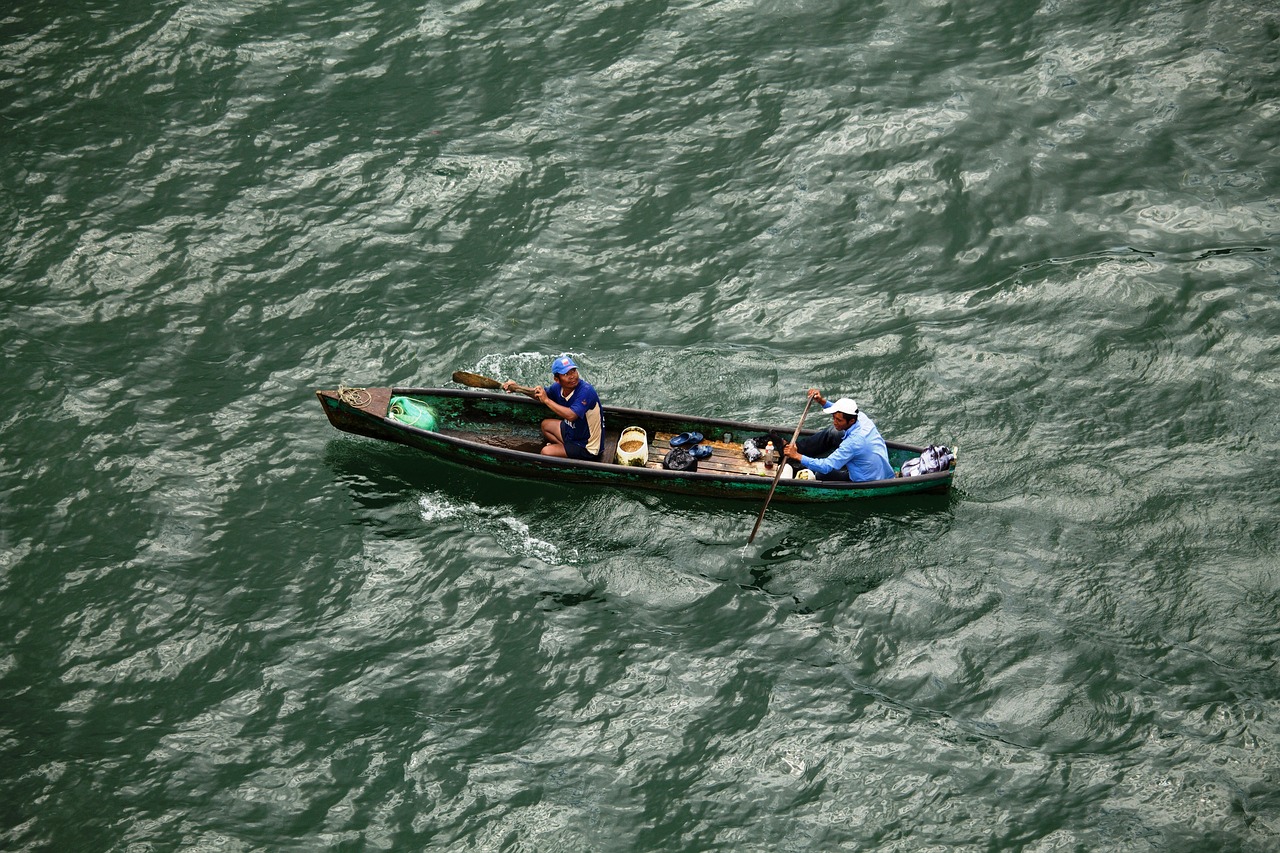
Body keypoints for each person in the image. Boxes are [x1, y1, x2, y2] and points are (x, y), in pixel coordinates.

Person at [781, 388, 894, 482]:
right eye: (834, 418)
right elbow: (839, 410)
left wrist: (797, 456)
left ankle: (796, 455)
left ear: (851, 421)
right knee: (833, 432)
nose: (835, 422)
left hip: (867, 479)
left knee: (821, 474)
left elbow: (826, 467)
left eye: (839, 420)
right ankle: (797, 448)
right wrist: (821, 401)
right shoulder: (861, 417)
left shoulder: (853, 443)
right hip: (879, 469)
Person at [503, 355, 604, 460]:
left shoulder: (586, 391)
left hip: (587, 446)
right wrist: (517, 388)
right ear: (557, 379)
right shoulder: (557, 388)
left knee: (545, 452)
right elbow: (540, 395)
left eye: (573, 371)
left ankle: (569, 452)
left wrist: (547, 400)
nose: (572, 376)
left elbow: (571, 415)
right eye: (566, 374)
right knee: (545, 425)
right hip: (572, 433)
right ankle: (566, 449)